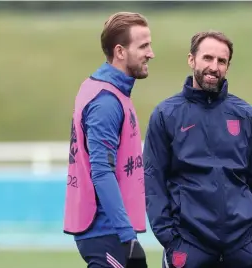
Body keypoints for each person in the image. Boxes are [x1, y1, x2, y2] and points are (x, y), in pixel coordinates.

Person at [143, 30, 252, 268]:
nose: (214, 67)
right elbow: (153, 182)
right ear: (191, 59)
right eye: (207, 58)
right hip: (188, 247)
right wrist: (171, 240)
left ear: (227, 66)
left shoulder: (245, 114)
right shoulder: (166, 115)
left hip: (242, 249)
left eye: (221, 61)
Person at [63, 12, 154, 268]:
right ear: (120, 52)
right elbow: (101, 172)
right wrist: (128, 238)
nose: (151, 53)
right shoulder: (106, 101)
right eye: (143, 46)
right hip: (106, 231)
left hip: (109, 230)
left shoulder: (108, 90)